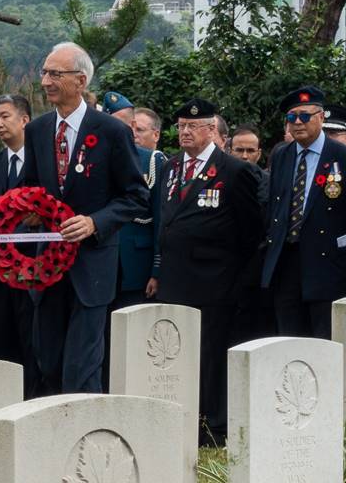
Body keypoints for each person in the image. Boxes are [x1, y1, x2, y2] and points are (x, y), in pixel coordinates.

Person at [22, 42, 149, 395]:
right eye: (44, 73)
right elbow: (29, 188)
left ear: (80, 80)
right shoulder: (37, 130)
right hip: (47, 267)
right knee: (48, 361)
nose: (45, 81)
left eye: (54, 74)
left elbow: (135, 196)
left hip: (92, 266)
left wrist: (95, 222)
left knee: (83, 365)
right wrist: (27, 211)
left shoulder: (111, 131)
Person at [155, 98, 261, 445]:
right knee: (180, 356)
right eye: (181, 125)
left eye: (193, 126)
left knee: (212, 359)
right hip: (176, 280)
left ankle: (214, 426)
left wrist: (239, 281)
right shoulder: (171, 167)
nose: (185, 132)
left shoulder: (233, 170)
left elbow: (252, 233)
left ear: (212, 129)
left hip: (215, 282)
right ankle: (185, 417)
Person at [262, 86, 346, 339]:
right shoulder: (282, 155)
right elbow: (276, 206)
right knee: (289, 339)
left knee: (325, 341)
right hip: (287, 261)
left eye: (305, 116)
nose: (297, 123)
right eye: (291, 118)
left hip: (329, 265)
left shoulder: (343, 157)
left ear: (321, 117)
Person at [100, 91, 165, 391]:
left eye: (136, 128)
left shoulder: (152, 161)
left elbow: (160, 218)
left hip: (136, 265)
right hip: (102, 263)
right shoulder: (97, 155)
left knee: (136, 338)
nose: (131, 133)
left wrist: (156, 267)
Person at [0, 94, 38, 394]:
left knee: (32, 344)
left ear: (24, 119)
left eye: (5, 116)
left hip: (34, 270)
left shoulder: (42, 159)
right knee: (0, 344)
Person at [228, 125, 275, 344]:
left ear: (259, 153)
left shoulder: (270, 183)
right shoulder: (217, 179)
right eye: (239, 150)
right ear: (229, 150)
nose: (244, 156)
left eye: (250, 150)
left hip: (256, 270)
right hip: (222, 269)